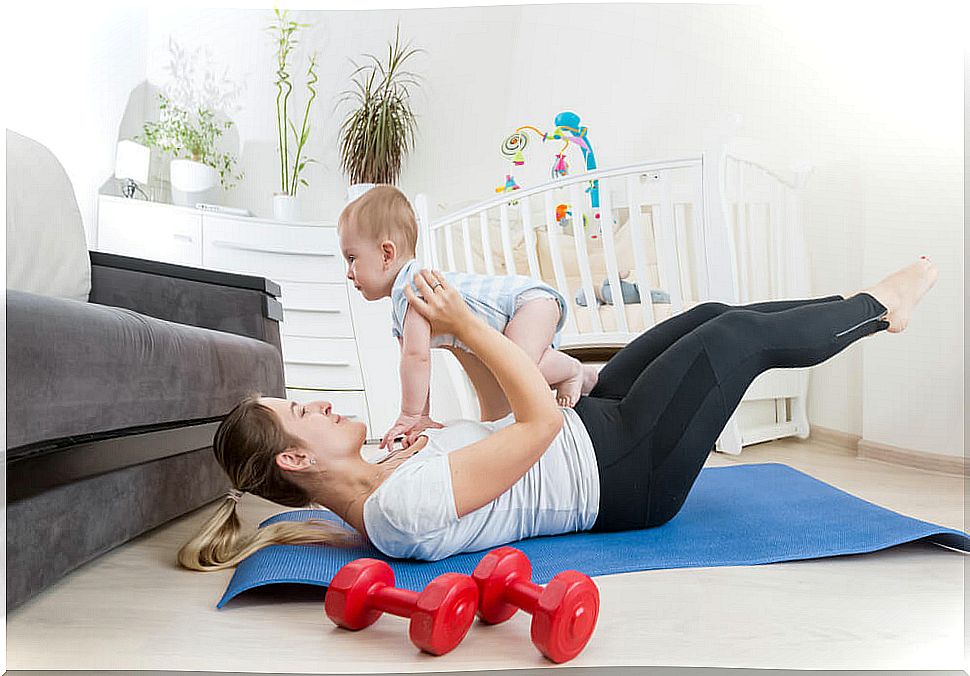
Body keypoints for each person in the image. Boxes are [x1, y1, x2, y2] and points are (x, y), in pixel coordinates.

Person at [178, 258, 938, 570]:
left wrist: (456, 347)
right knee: (735, 341)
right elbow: (533, 428)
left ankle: (844, 309)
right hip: (626, 473)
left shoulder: (389, 462)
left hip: (595, 426)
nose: (312, 401)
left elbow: (501, 416)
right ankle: (879, 310)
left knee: (708, 315)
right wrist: (476, 329)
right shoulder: (397, 508)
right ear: (296, 459)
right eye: (296, 411)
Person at [337, 184, 599, 450]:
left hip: (526, 302)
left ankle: (572, 370)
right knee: (512, 371)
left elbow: (417, 358)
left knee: (518, 369)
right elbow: (413, 365)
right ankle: (583, 375)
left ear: (386, 253)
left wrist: (410, 415)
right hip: (522, 307)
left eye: (351, 258)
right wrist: (420, 416)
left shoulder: (415, 288)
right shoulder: (402, 302)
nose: (348, 272)